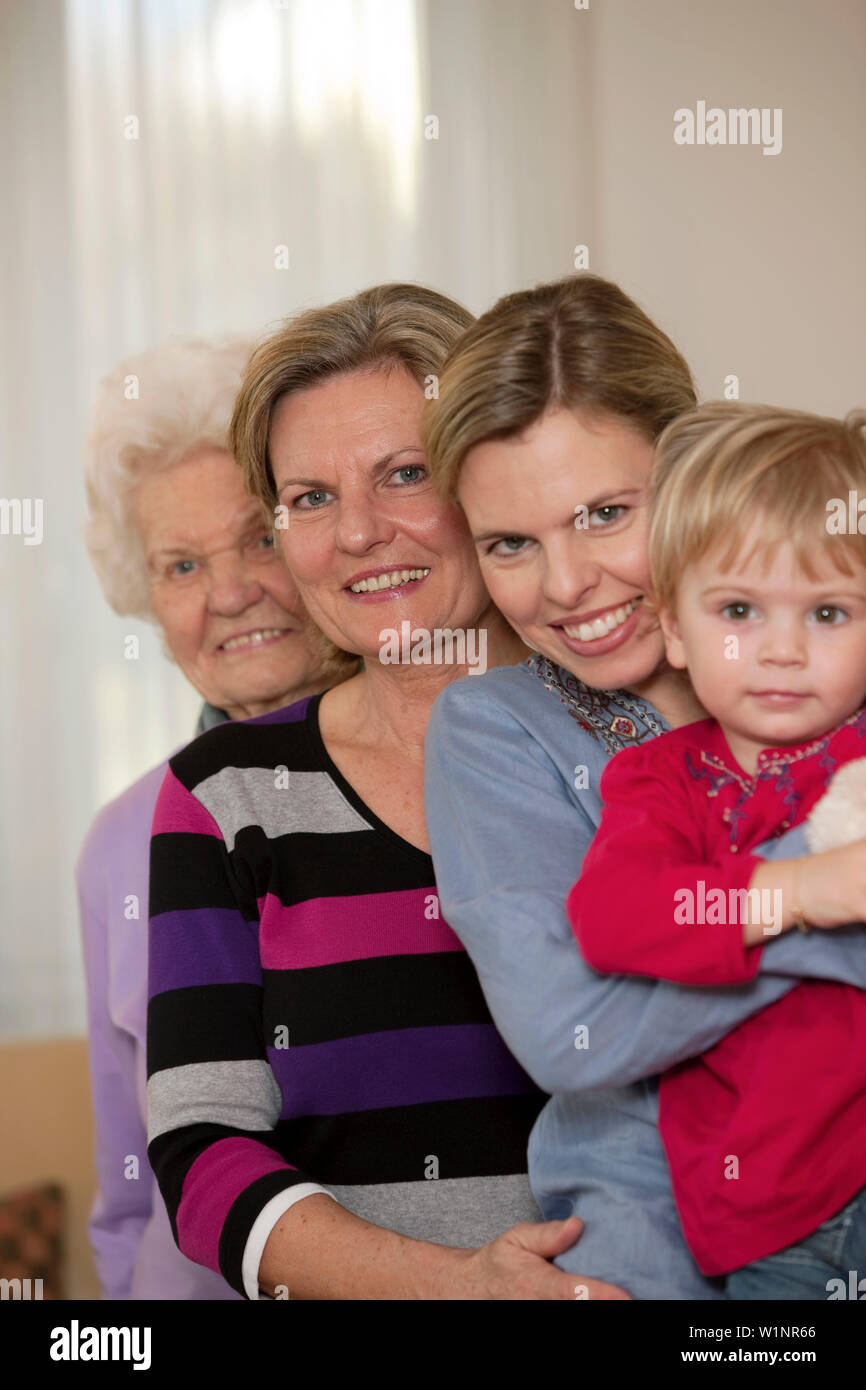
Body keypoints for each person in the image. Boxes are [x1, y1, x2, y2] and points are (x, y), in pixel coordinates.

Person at [145, 284, 628, 1301]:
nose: (358, 533)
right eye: (310, 497)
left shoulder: (644, 736)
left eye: (402, 473)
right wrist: (454, 1285)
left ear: (481, 477)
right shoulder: (224, 795)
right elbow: (201, 1156)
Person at [422, 273, 866, 1298]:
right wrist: (817, 897)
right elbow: (568, 1030)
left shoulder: (829, 653)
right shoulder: (495, 729)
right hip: (645, 1236)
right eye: (509, 544)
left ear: (695, 471)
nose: (566, 582)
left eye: (604, 513)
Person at [567, 401, 866, 1298]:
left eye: (827, 612)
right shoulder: (662, 781)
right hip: (770, 1213)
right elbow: (615, 914)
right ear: (673, 627)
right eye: (739, 608)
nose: (781, 649)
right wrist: (797, 889)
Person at [77, 338, 348, 1299]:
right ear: (144, 598)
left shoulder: (450, 774)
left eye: (261, 537)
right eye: (181, 564)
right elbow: (124, 1192)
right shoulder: (118, 841)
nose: (231, 594)